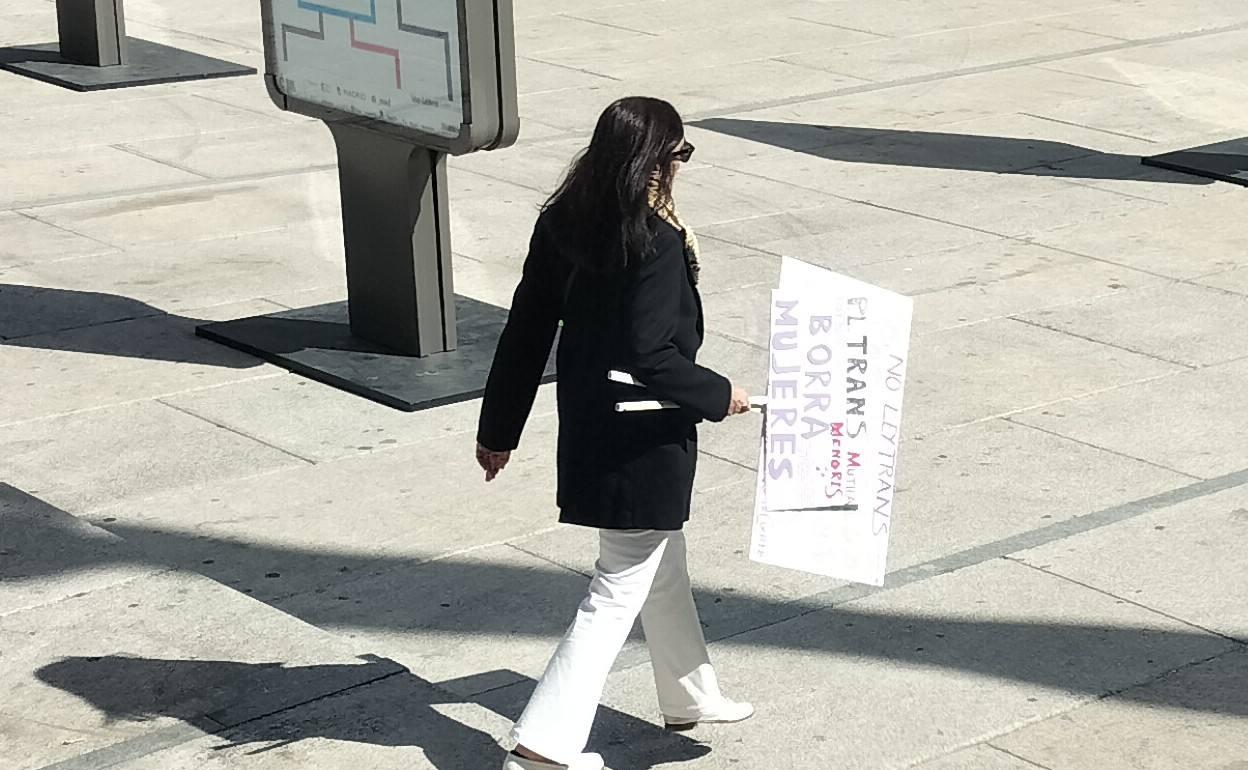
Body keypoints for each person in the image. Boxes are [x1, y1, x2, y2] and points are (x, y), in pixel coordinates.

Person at [476, 96, 755, 770]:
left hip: (593, 423)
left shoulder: (563, 219)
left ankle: (690, 694)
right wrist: (720, 394)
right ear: (658, 160)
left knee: (660, 559)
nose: (682, 166)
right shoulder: (654, 239)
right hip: (642, 436)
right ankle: (543, 748)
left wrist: (498, 429)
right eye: (681, 153)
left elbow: (526, 329)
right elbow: (650, 353)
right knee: (619, 586)